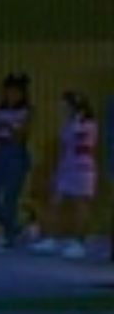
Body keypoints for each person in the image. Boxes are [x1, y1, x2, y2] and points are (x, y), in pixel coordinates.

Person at [0, 72, 38, 251]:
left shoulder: (27, 111)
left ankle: (10, 235)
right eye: (8, 91)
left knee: (10, 197)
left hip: (16, 153)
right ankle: (16, 228)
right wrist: (2, 128)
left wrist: (5, 126)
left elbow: (21, 136)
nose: (11, 95)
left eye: (15, 92)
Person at [56, 90, 103, 259]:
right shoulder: (68, 124)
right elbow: (64, 147)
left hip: (82, 168)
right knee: (59, 201)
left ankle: (79, 242)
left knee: (80, 204)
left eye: (66, 106)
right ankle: (59, 237)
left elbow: (84, 145)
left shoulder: (88, 125)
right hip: (67, 167)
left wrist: (76, 122)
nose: (63, 109)